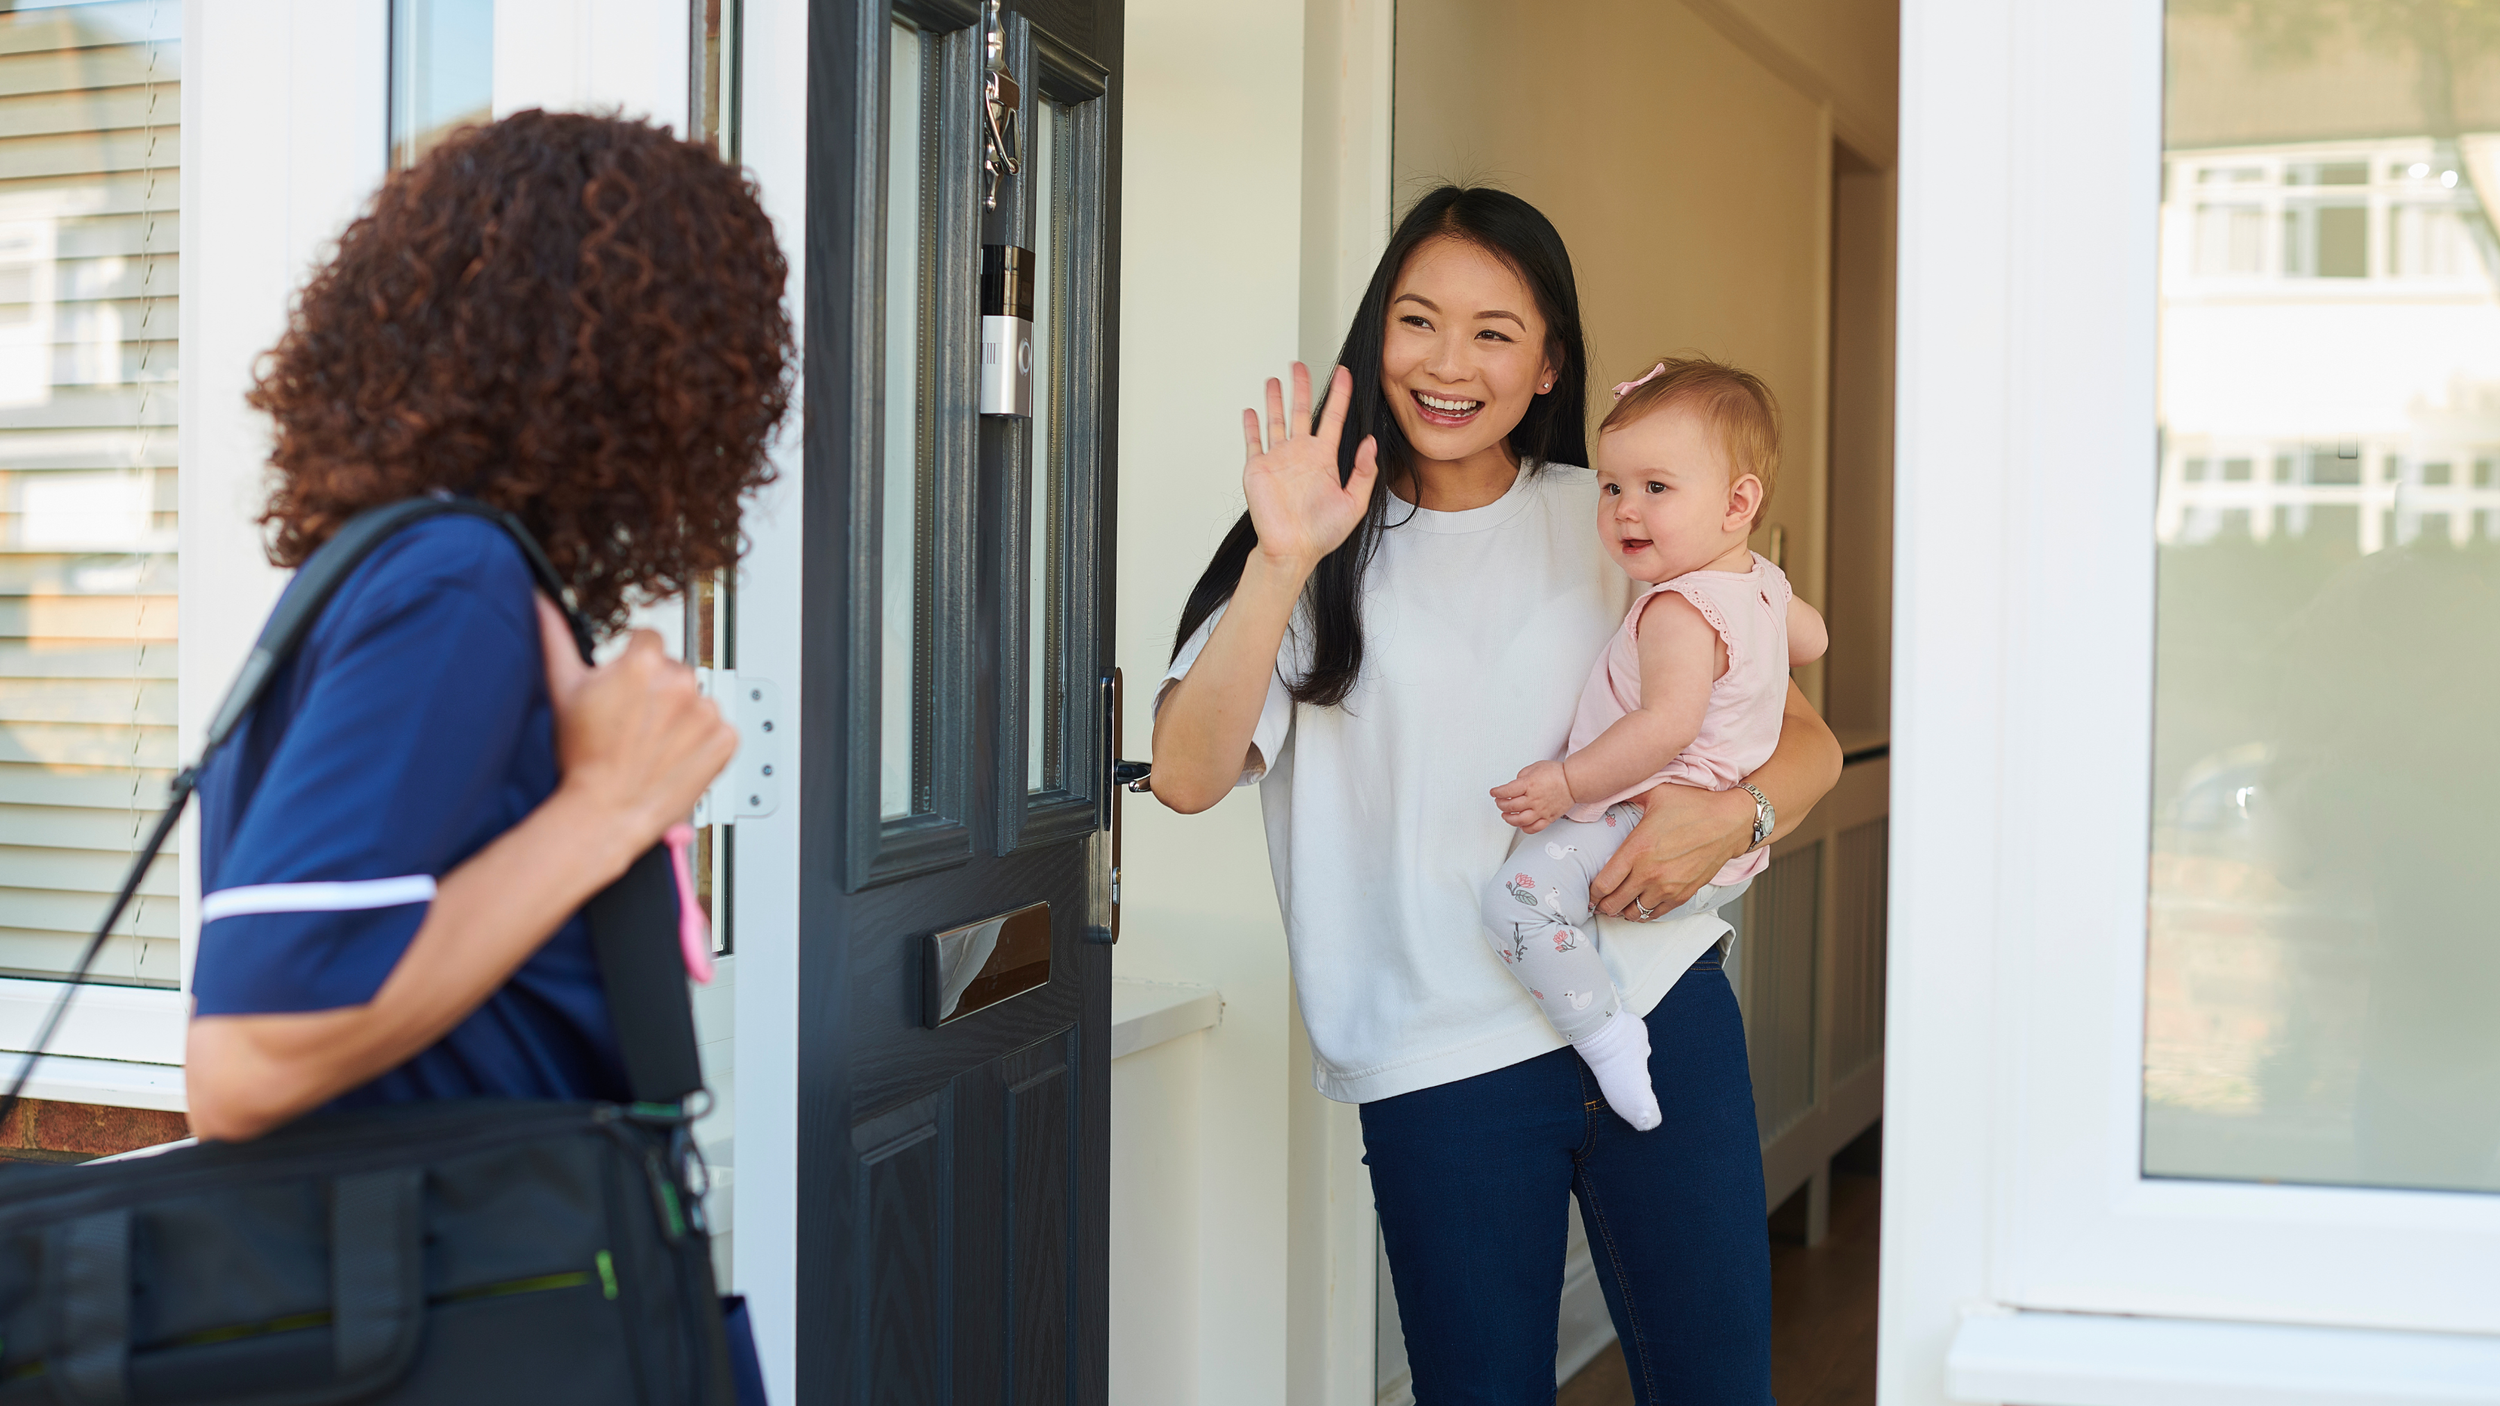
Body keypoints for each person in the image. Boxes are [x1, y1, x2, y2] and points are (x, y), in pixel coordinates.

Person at [1150, 186, 1840, 1403]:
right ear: (1378, 336)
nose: (1448, 363)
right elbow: (1185, 774)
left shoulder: (1616, 514)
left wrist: (1739, 815)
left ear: (1548, 361)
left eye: (1493, 330)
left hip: (1657, 999)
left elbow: (1805, 742)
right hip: (1438, 1058)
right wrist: (1280, 559)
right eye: (1417, 321)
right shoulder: (1314, 544)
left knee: (1717, 1384)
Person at [183, 110, 791, 1142]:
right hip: (455, 1280)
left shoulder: (430, 571)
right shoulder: (454, 583)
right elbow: (246, 1059)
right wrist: (607, 805)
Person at [1480, 357, 1827, 1132]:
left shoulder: (1677, 609)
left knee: (1515, 905)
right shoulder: (1764, 586)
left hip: (1641, 822)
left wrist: (1567, 785)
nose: (1624, 512)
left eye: (1656, 489)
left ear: (1739, 502)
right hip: (1723, 846)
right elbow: (1815, 637)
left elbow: (1666, 726)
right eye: (1611, 488)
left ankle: (1607, 1038)